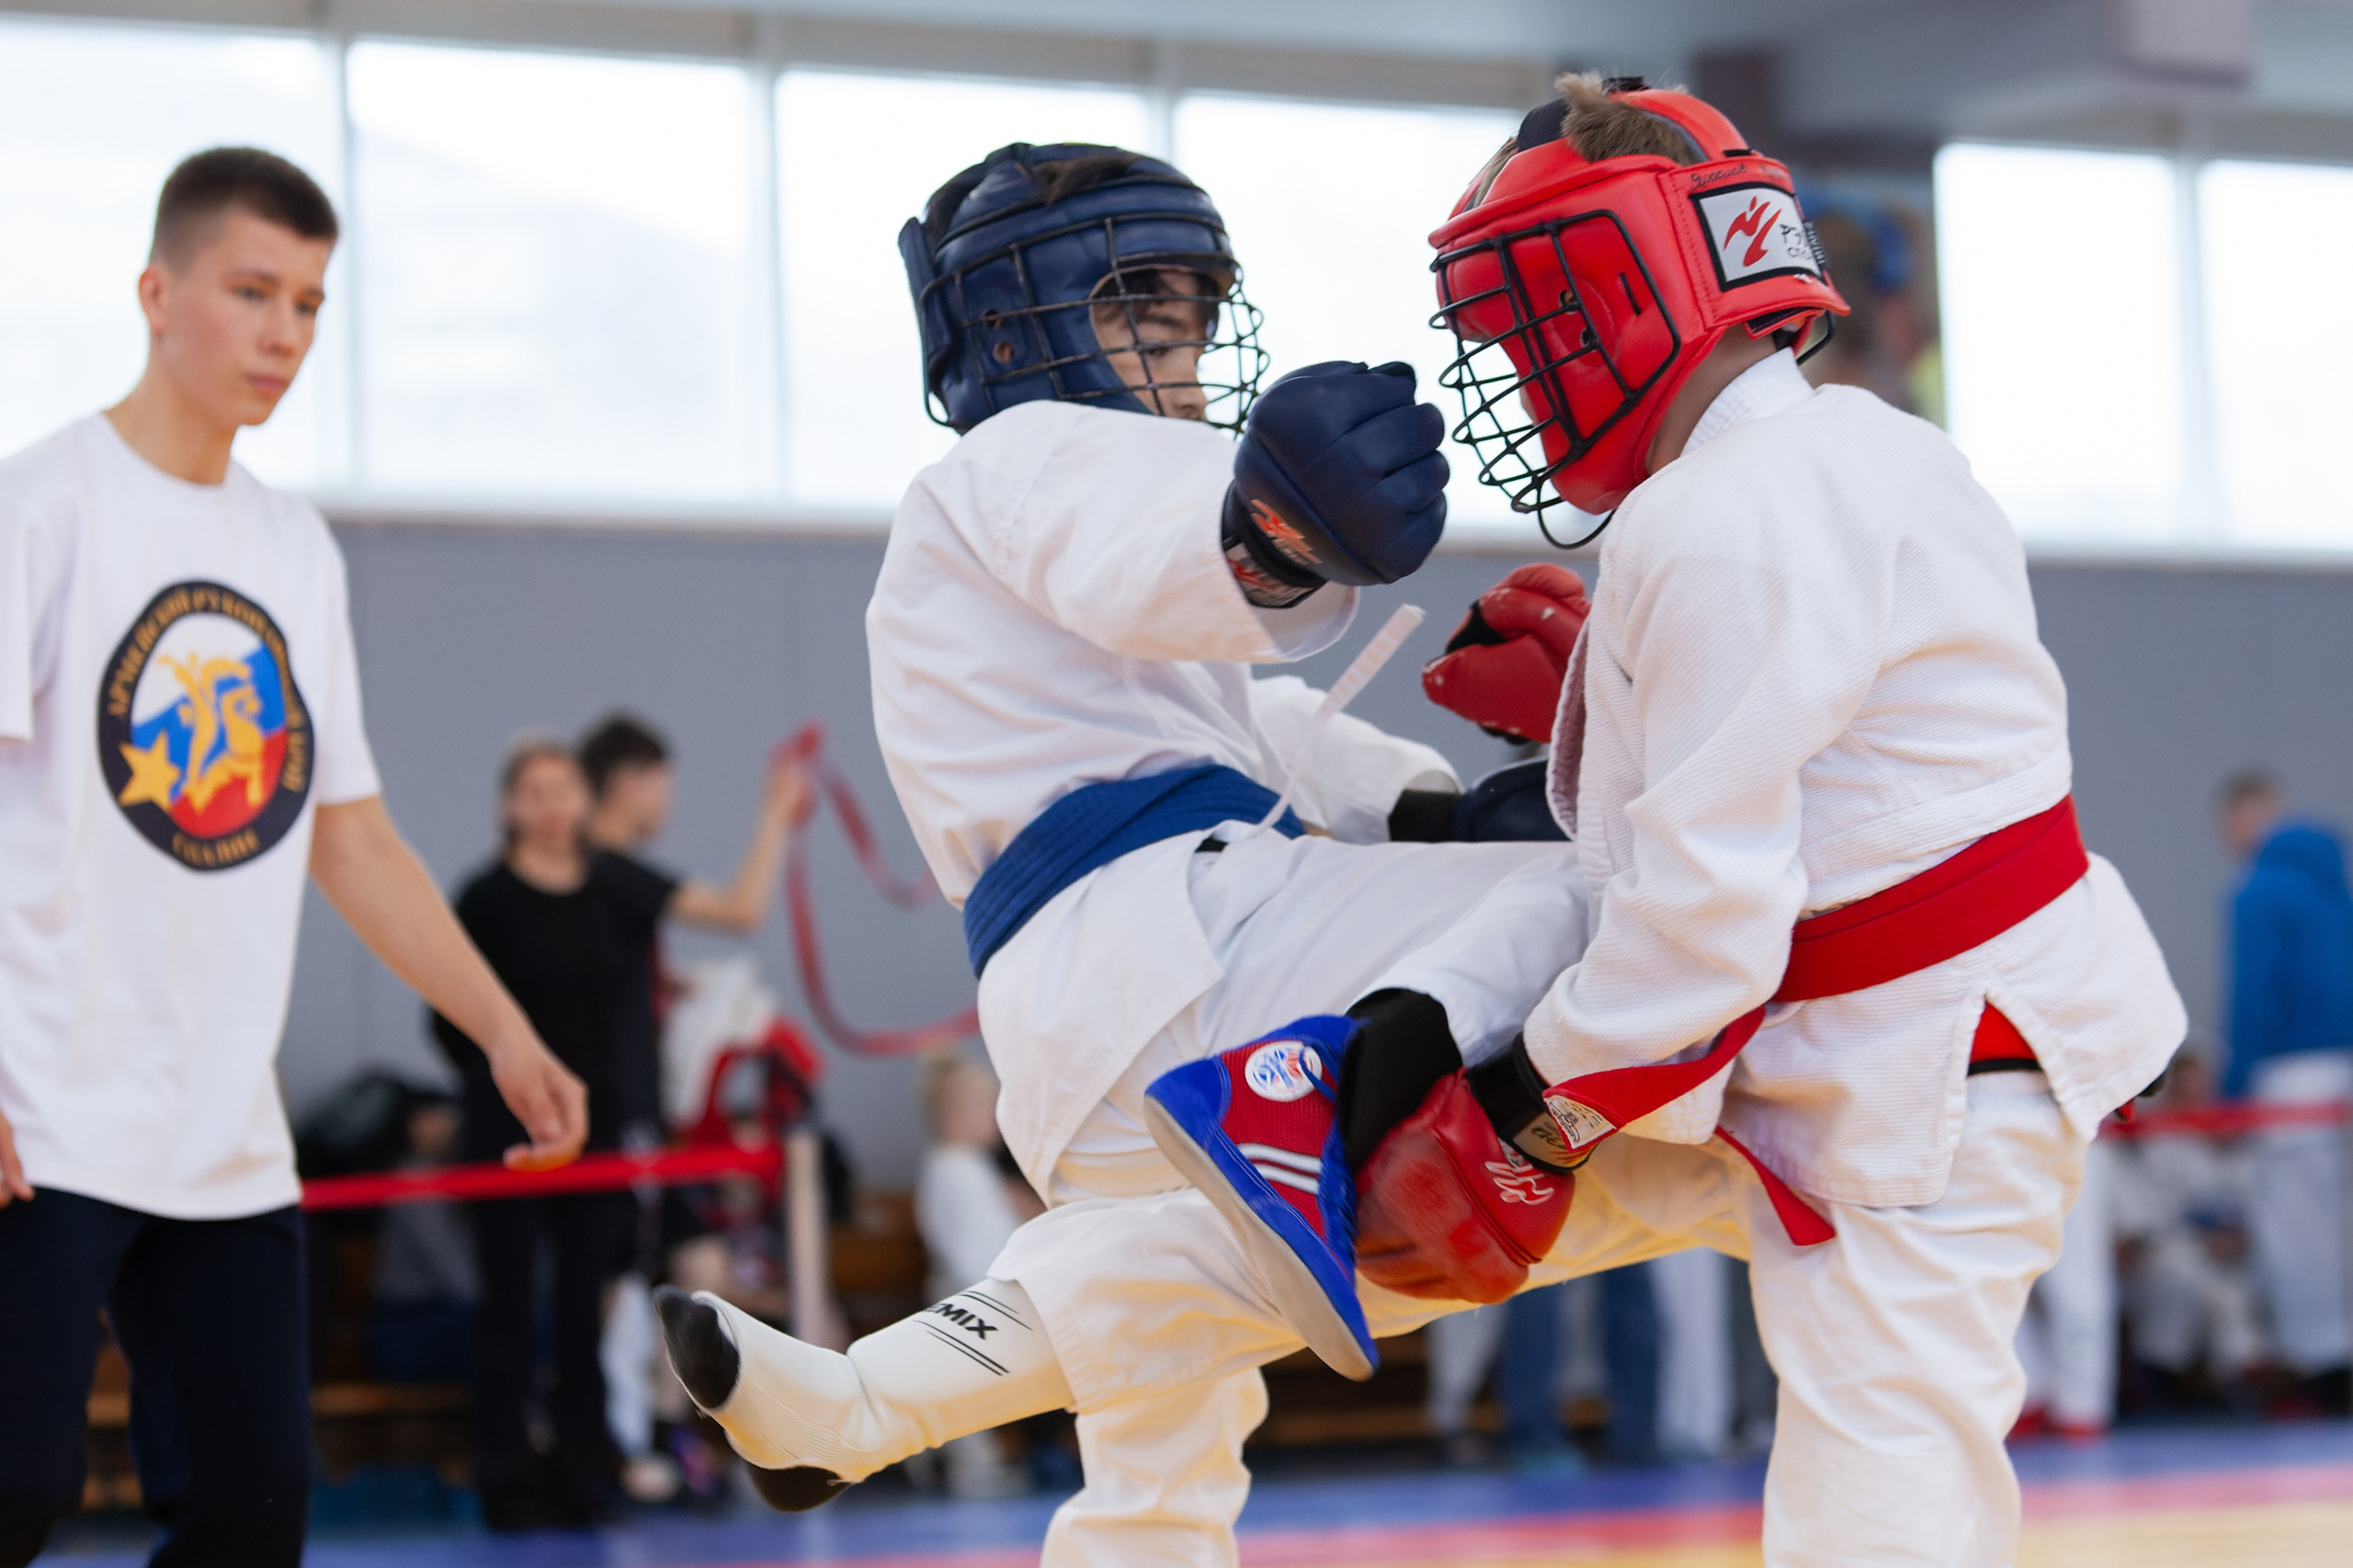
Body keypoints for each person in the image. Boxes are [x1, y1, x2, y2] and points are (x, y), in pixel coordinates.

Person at [653, 137, 1753, 1563]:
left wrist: (1445, 804)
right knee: (1627, 920)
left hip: (1100, 1023)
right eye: (1134, 303)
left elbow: (1267, 725)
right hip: (1178, 953)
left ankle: (866, 1400)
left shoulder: (1066, 590)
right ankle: (1391, 1112)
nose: (1176, 338)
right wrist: (1271, 540)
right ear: (1013, 322)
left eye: (1192, 306)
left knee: (1163, 1438)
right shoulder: (1021, 461)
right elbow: (1161, 546)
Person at [0, 148, 585, 1568]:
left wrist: (504, 1026)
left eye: (311, 304)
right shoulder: (40, 508)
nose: (283, 334)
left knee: (255, 1512)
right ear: (156, 292)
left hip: (224, 1132)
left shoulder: (293, 550)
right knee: (15, 1487)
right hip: (40, 1109)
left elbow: (353, 833)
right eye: (252, 290)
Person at [430, 736, 661, 1528]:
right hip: (505, 1130)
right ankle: (503, 1472)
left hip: (595, 1134)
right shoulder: (485, 899)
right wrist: (508, 1084)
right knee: (510, 1302)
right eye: (535, 791)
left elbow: (634, 1007)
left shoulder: (611, 894)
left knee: (583, 1302)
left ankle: (583, 1470)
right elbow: (450, 1017)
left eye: (564, 789)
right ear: (509, 807)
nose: (552, 806)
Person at [575, 710, 812, 1140]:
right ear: (628, 783)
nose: (671, 802)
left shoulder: (590, 877)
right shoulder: (612, 872)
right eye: (664, 786)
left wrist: (660, 980)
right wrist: (776, 813)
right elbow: (741, 910)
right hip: (613, 1108)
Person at [2215, 767, 2353, 1412]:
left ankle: (2321, 1368)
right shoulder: (2335, 889)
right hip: (2344, 1071)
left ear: (2242, 819)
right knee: (2341, 1224)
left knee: (2297, 1231)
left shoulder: (2257, 890)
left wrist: (2236, 1088)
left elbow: (2253, 996)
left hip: (2291, 1078)